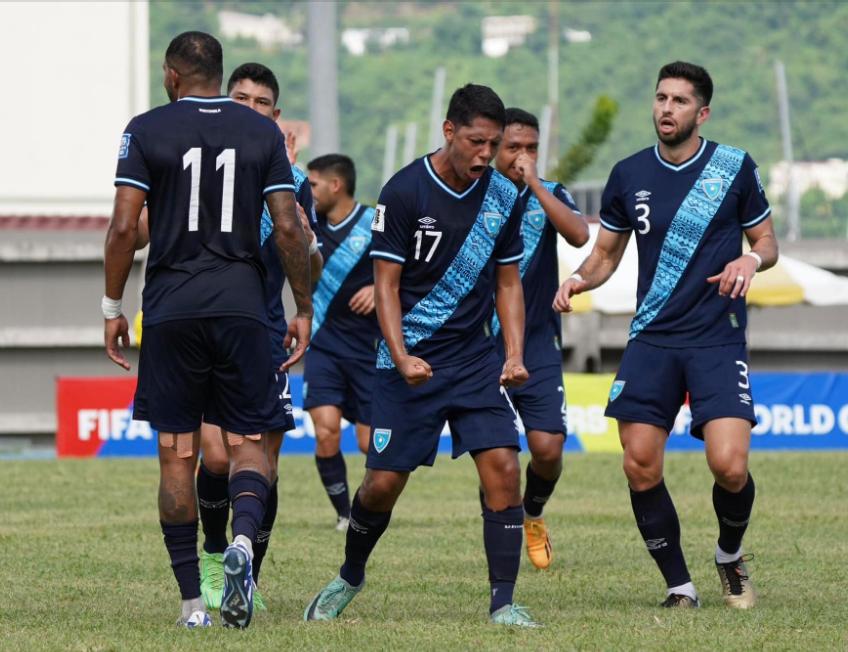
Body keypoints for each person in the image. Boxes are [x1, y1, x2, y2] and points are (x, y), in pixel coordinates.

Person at [304, 83, 541, 627]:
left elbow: (508, 284)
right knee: (383, 484)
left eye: (494, 144)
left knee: (504, 468)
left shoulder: (504, 195)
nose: (486, 154)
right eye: (477, 142)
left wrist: (512, 353)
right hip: (408, 362)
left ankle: (503, 602)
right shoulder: (406, 189)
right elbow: (386, 285)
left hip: (476, 361)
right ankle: (350, 575)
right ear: (449, 131)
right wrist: (402, 353)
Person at [103, 32, 313, 629]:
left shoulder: (144, 129)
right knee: (250, 446)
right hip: (245, 307)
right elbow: (289, 228)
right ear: (220, 78)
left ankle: (194, 604)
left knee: (178, 455)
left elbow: (124, 228)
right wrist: (303, 306)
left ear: (173, 75)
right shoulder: (262, 134)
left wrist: (112, 306)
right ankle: (244, 545)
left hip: (171, 309)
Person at [553, 61, 778, 609]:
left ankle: (729, 556)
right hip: (651, 337)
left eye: (679, 101)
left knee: (729, 465)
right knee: (639, 463)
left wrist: (751, 260)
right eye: (660, 98)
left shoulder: (733, 167)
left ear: (701, 113)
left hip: (717, 338)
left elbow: (767, 241)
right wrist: (580, 279)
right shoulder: (629, 174)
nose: (666, 109)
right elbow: (607, 253)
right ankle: (680, 586)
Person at [191, 62, 324, 614]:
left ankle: (247, 572)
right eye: (238, 99)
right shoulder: (202, 166)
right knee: (216, 457)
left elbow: (306, 261)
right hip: (202, 326)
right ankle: (213, 552)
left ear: (275, 115)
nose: (248, 109)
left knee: (263, 461)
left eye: (259, 102)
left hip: (266, 332)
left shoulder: (293, 182)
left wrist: (309, 256)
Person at [492, 108, 589, 570]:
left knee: (547, 449)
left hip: (537, 342)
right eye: (514, 148)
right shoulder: (474, 194)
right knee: (497, 451)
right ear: (493, 147)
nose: (523, 156)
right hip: (480, 345)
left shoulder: (550, 193)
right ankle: (504, 541)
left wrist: (534, 185)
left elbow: (578, 234)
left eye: (531, 148)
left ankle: (533, 513)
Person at [303, 154, 378, 531]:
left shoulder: (377, 219)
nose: (308, 191)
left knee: (369, 444)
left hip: (370, 348)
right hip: (324, 345)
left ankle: (369, 508)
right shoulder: (307, 224)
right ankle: (344, 514)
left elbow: (413, 267)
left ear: (336, 185)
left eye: (313, 184)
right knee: (326, 428)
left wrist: (380, 289)